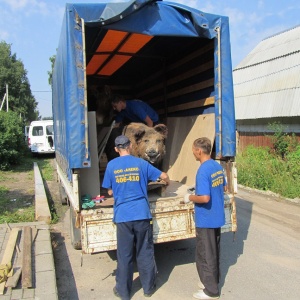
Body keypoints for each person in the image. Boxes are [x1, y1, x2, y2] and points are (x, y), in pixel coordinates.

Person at [102, 135, 170, 300]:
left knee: (124, 255)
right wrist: (166, 183)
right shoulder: (141, 163)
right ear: (131, 146)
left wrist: (117, 189)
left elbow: (109, 191)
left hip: (123, 216)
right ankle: (148, 288)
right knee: (144, 252)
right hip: (141, 214)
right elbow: (164, 176)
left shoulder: (111, 166)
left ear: (116, 149)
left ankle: (123, 292)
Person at [184, 137, 227, 300]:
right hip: (216, 216)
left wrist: (190, 197)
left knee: (205, 254)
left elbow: (205, 198)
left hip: (206, 218)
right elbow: (222, 186)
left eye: (193, 150)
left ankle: (211, 291)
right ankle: (211, 281)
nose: (193, 153)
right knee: (213, 252)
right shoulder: (216, 166)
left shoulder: (203, 170)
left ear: (199, 151)